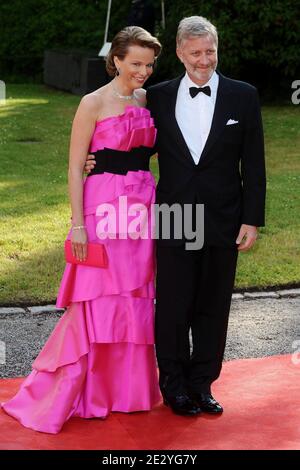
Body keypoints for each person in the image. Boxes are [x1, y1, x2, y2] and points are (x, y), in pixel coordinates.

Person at [86, 16, 266, 417]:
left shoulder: (243, 96)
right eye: (196, 52)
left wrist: (251, 219)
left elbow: (254, 164)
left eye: (210, 52)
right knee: (172, 304)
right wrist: (92, 159)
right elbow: (134, 144)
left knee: (212, 304)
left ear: (217, 50)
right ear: (182, 53)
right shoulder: (159, 96)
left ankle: (202, 384)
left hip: (224, 215)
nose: (204, 60)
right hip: (174, 213)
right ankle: (174, 386)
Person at [1, 26, 162, 434]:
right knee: (95, 296)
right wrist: (77, 225)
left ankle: (124, 392)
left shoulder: (146, 99)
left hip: (142, 206)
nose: (143, 71)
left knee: (135, 294)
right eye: (136, 63)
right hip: (102, 208)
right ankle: (76, 391)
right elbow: (75, 166)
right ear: (117, 60)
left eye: (149, 64)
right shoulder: (92, 103)